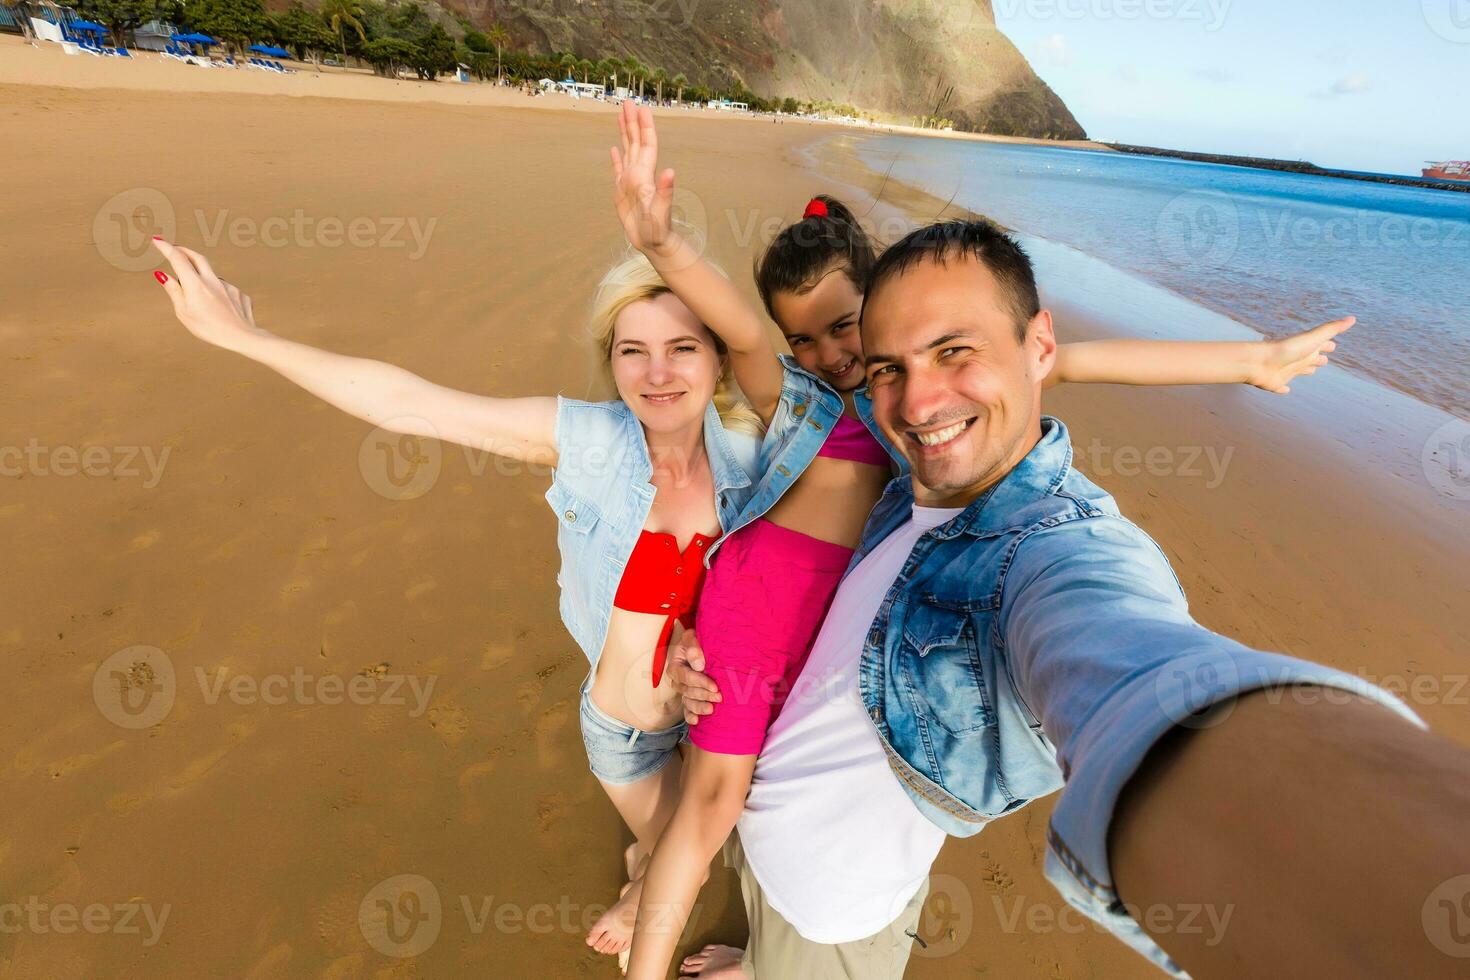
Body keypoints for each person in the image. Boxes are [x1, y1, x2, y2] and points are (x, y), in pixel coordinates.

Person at [605, 105, 1359, 980]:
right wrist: (665, 248)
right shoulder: (855, 440)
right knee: (747, 859)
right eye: (817, 344)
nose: (870, 375)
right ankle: (761, 954)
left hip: (824, 852)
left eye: (854, 334)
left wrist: (1249, 360)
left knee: (754, 864)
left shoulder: (1005, 520)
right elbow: (742, 342)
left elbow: (1103, 617)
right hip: (767, 731)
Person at [145, 239, 782, 960]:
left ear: (720, 359)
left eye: (683, 348)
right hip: (625, 737)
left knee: (706, 852)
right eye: (633, 350)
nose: (658, 373)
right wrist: (247, 339)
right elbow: (408, 404)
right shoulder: (588, 442)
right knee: (682, 865)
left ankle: (645, 880)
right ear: (611, 362)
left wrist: (704, 637)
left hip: (711, 721)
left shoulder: (757, 459)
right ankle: (646, 881)